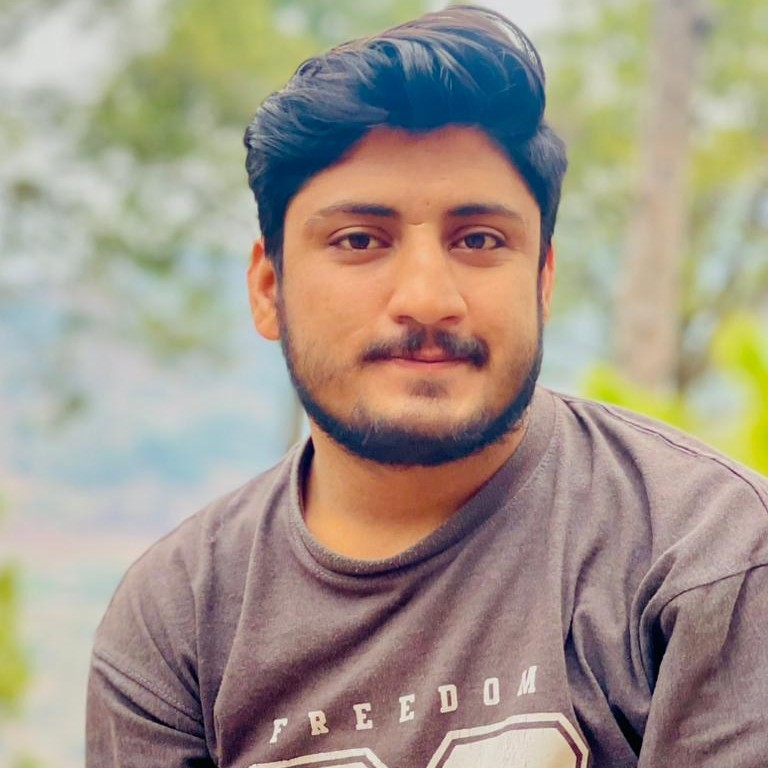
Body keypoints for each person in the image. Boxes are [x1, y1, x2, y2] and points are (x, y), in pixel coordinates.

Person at [86, 4, 768, 767]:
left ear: (543, 279)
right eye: (359, 240)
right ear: (268, 287)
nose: (427, 298)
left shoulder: (707, 553)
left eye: (479, 239)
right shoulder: (176, 618)